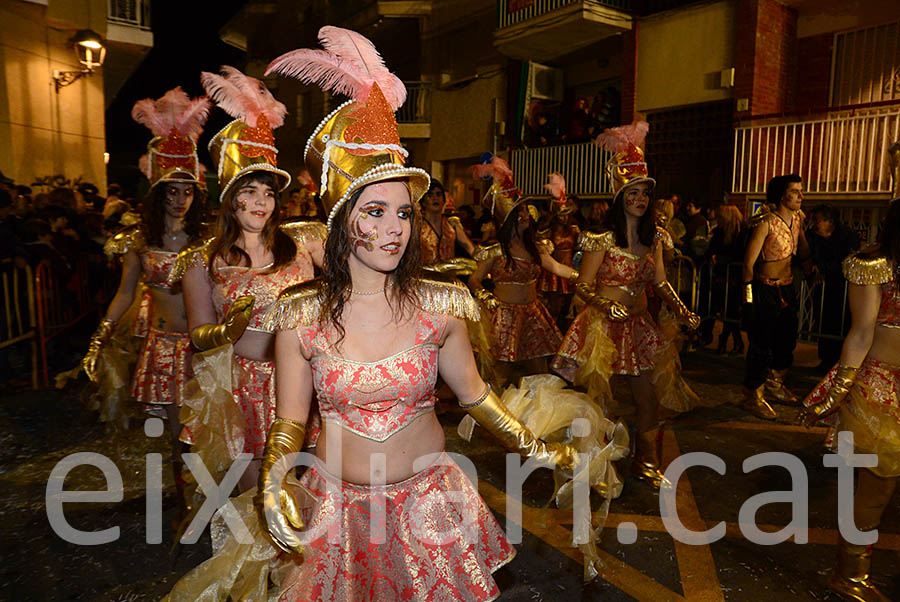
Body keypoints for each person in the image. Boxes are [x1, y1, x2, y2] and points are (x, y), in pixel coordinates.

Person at [163, 27, 592, 602]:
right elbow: (290, 420)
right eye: (374, 211)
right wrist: (270, 481)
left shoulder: (442, 304)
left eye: (403, 213)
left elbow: (476, 396)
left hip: (431, 509)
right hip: (338, 516)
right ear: (342, 220)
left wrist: (543, 449)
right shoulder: (301, 315)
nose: (393, 230)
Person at [171, 66, 326, 495]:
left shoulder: (304, 241)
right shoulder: (202, 261)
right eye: (250, 190)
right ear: (229, 196)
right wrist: (226, 330)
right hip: (244, 389)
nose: (261, 202)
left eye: (269, 192)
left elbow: (355, 277)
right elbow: (198, 335)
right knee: (255, 497)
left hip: (303, 381)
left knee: (304, 491)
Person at [552, 121, 701, 489]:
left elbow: (660, 281)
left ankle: (645, 461)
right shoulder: (601, 238)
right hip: (602, 327)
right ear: (621, 196)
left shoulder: (655, 240)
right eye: (633, 193)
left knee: (648, 398)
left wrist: (683, 310)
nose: (640, 199)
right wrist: (605, 305)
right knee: (600, 401)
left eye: (645, 194)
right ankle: (597, 466)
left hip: (638, 326)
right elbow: (583, 286)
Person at [79, 88, 211, 494]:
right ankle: (185, 500)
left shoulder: (207, 241)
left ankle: (209, 496)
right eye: (172, 191)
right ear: (157, 194)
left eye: (187, 191)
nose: (180, 199)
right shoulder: (138, 240)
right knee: (176, 435)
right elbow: (123, 294)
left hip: (202, 349)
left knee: (206, 430)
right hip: (162, 347)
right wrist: (99, 338)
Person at [799, 197, 900, 602]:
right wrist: (836, 391)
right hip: (881, 385)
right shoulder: (874, 265)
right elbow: (861, 333)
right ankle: (850, 574)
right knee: (879, 487)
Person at [468, 156, 575, 385]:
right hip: (504, 318)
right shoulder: (495, 251)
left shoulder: (536, 247)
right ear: (507, 219)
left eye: (526, 210)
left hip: (532, 315)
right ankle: (492, 418)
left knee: (539, 374)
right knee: (499, 375)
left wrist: (581, 278)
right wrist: (485, 296)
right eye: (519, 212)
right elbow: (475, 279)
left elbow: (555, 267)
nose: (525, 215)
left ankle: (535, 417)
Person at [741, 174, 818, 419]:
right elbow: (748, 264)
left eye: (801, 191)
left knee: (786, 339)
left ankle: (775, 382)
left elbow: (802, 247)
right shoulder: (766, 223)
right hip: (764, 288)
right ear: (781, 195)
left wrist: (809, 270)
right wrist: (749, 299)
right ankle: (753, 395)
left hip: (787, 287)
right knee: (761, 343)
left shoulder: (797, 219)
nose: (800, 196)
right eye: (795, 191)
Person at [806, 203, 860, 368]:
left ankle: (840, 360)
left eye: (818, 220)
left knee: (841, 322)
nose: (815, 224)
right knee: (823, 320)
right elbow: (807, 255)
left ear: (830, 221)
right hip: (822, 286)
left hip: (842, 286)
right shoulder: (812, 237)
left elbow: (848, 259)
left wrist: (824, 268)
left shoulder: (846, 236)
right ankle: (826, 358)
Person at [538, 172, 581, 329]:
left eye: (567, 215)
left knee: (566, 309)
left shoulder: (575, 230)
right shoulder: (548, 231)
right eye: (561, 215)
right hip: (554, 272)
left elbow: (579, 251)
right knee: (554, 309)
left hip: (569, 269)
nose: (565, 218)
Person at [709, 204, 746, 355]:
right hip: (723, 275)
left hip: (734, 276)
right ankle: (734, 342)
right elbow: (712, 249)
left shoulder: (741, 232)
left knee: (731, 310)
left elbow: (741, 253)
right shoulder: (720, 232)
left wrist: (723, 259)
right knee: (729, 311)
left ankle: (725, 340)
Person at [419, 178, 475, 266]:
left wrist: (483, 263)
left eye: (438, 194)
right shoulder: (417, 226)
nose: (435, 198)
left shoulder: (452, 224)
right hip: (425, 277)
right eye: (430, 195)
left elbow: (468, 246)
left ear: (444, 200)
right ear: (423, 202)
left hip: (449, 276)